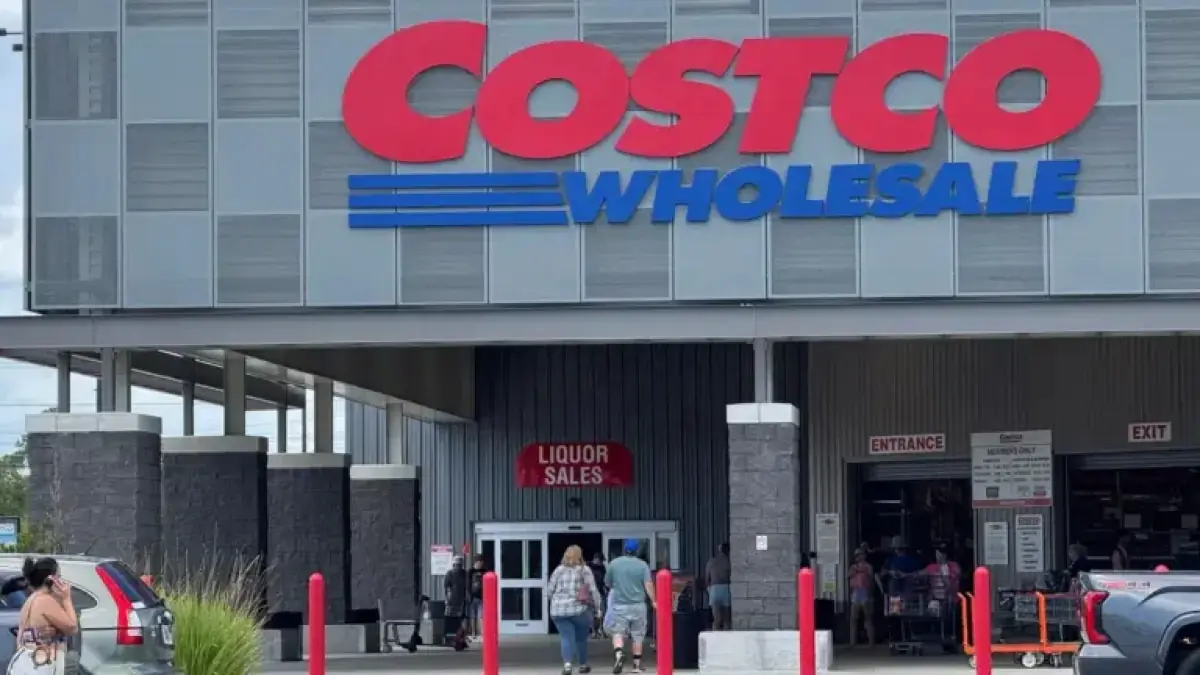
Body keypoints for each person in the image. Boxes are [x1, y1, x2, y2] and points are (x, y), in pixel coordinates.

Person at [7, 557, 77, 675]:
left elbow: (20, 638)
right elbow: (72, 628)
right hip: (42, 664)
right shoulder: (45, 601)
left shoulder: (29, 601)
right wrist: (66, 599)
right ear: (50, 580)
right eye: (58, 577)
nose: (61, 581)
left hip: (26, 661)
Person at [546, 545, 602, 675]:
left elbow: (549, 591)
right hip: (578, 610)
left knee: (566, 637)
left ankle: (567, 665)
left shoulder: (558, 570)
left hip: (558, 611)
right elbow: (593, 591)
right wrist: (598, 608)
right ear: (580, 555)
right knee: (581, 638)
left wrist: (557, 600)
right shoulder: (584, 570)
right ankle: (583, 665)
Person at [606, 539, 656, 674]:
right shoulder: (642, 565)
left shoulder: (614, 564)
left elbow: (608, 583)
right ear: (636, 551)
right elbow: (648, 584)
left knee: (617, 632)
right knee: (637, 635)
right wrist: (654, 600)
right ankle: (636, 666)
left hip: (619, 605)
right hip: (638, 605)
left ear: (625, 549)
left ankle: (618, 654)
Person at [847, 548, 876, 647]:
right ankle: (852, 642)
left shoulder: (868, 567)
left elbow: (871, 578)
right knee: (853, 619)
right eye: (856, 555)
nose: (858, 557)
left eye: (860, 555)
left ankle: (871, 642)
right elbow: (849, 575)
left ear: (864, 556)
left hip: (865, 592)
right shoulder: (853, 567)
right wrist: (856, 570)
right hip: (855, 593)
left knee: (868, 618)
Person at [442, 556, 469, 646]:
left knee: (461, 620)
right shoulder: (449, 574)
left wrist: (467, 597)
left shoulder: (464, 574)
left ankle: (460, 639)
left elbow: (467, 587)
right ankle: (448, 639)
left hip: (461, 600)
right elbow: (446, 588)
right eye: (456, 564)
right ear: (453, 564)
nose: (458, 566)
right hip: (451, 600)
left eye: (459, 564)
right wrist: (447, 599)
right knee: (449, 620)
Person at [705, 542, 732, 631]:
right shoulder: (729, 561)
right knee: (726, 619)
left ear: (719, 550)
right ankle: (727, 636)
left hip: (714, 589)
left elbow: (707, 578)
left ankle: (715, 635)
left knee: (716, 619)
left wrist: (709, 590)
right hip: (726, 588)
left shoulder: (712, 561)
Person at [587, 553, 608, 639]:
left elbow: (603, 580)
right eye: (601, 560)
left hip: (600, 591)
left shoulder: (602, 568)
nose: (601, 562)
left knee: (602, 611)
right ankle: (593, 631)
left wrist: (606, 587)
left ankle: (600, 629)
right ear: (596, 559)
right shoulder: (588, 566)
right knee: (592, 612)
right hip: (591, 592)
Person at [467, 555, 487, 642]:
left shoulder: (484, 571)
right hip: (473, 597)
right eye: (480, 562)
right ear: (476, 562)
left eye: (482, 563)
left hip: (481, 597)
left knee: (481, 616)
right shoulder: (470, 571)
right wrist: (469, 595)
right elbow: (468, 584)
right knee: (473, 616)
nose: (481, 564)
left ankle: (482, 633)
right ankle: (473, 633)